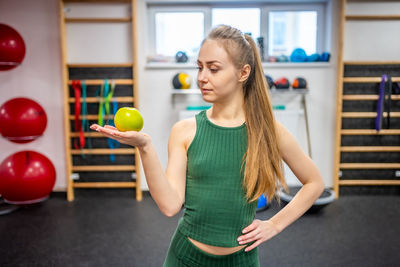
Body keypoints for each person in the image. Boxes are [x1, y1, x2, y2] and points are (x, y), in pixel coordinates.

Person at [90, 25, 325, 267]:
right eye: (199, 67)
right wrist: (145, 147)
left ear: (243, 73)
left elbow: (314, 182)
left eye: (213, 69)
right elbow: (170, 206)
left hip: (241, 261)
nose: (202, 77)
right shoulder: (184, 131)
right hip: (185, 258)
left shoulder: (268, 131)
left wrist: (275, 224)